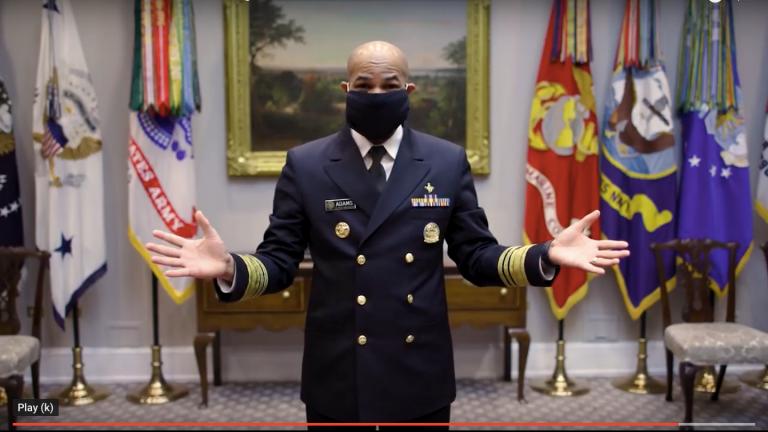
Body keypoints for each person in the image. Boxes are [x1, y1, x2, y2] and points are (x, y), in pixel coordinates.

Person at [147, 41, 630, 428]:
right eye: (364, 83)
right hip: (338, 370)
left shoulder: (445, 161)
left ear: (409, 89)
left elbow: (477, 256)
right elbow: (279, 263)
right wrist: (231, 267)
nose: (376, 93)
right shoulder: (307, 164)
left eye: (389, 83)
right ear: (345, 88)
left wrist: (544, 254)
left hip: (418, 369)